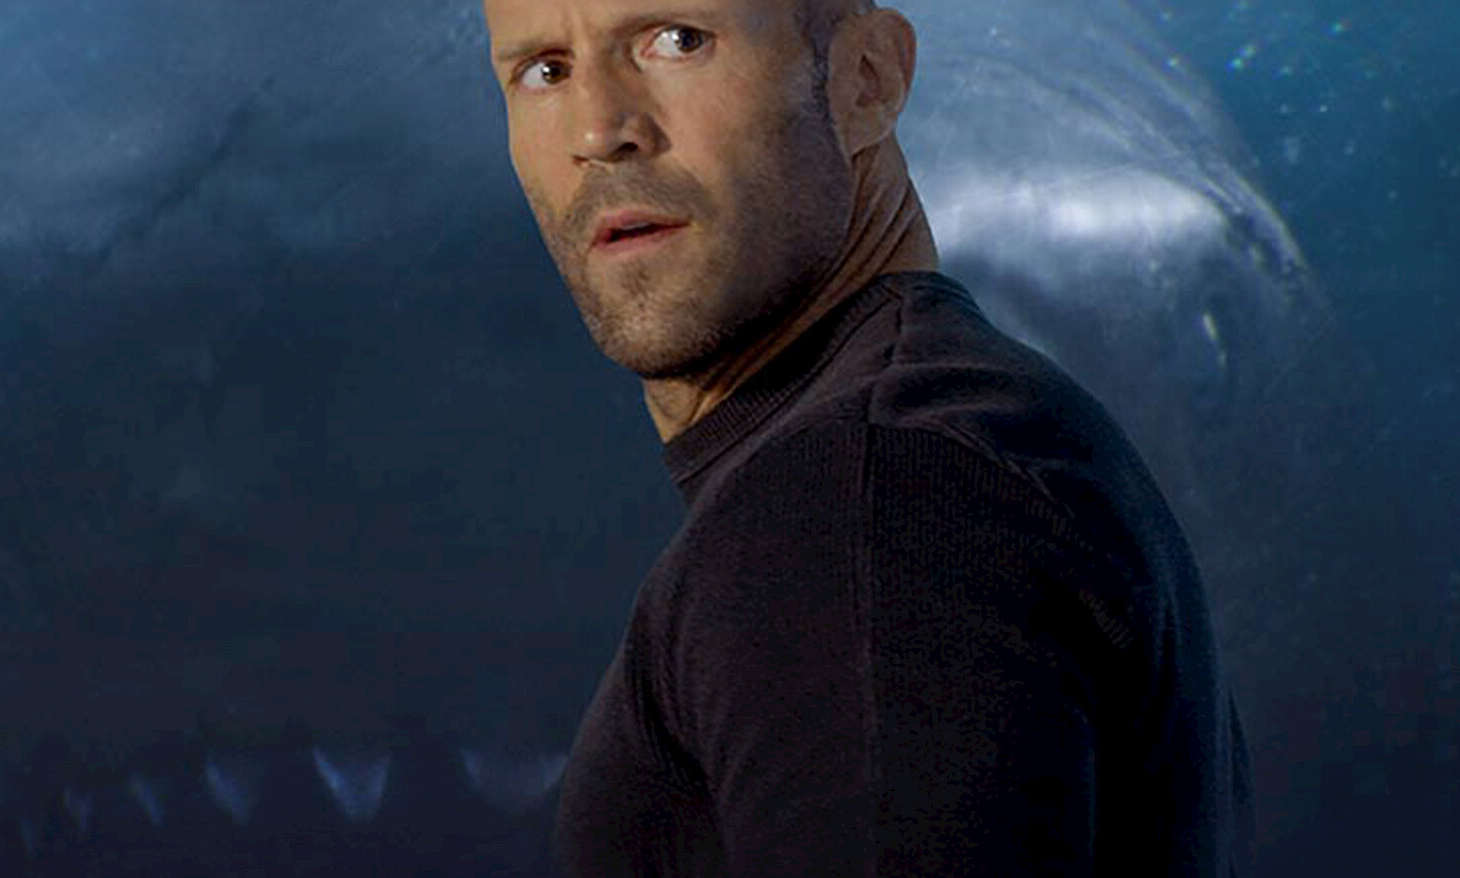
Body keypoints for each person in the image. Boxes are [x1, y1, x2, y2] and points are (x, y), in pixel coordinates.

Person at [478, 0, 1256, 874]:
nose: (597, 130)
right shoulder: (956, 440)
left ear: (867, 80)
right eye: (545, 69)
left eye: (679, 40)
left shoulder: (874, 497)